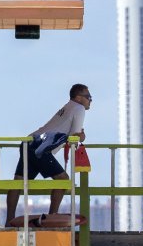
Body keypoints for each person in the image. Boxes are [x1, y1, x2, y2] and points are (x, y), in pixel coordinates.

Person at [6, 84, 92, 225]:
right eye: (88, 97)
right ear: (78, 98)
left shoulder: (67, 107)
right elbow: (74, 137)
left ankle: (9, 221)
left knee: (18, 182)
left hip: (29, 141)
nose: (90, 100)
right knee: (63, 180)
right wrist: (82, 137)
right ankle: (51, 218)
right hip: (41, 146)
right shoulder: (79, 108)